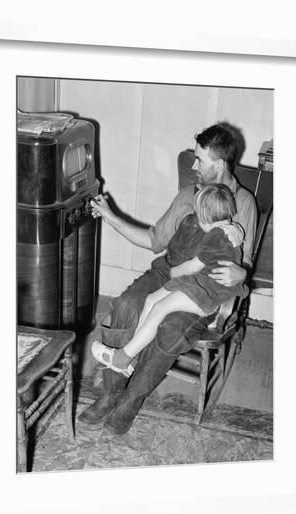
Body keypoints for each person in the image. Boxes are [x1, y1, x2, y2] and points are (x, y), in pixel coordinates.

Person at [78, 122, 257, 435]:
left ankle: (130, 402)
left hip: (202, 285)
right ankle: (110, 393)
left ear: (218, 164)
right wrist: (110, 216)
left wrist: (241, 272)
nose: (193, 165)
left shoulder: (243, 205)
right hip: (168, 270)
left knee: (170, 328)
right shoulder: (189, 194)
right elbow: (154, 239)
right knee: (127, 305)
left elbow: (245, 262)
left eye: (199, 159)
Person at [91, 183, 248, 377]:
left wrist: (174, 272)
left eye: (199, 215)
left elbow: (192, 266)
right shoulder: (232, 228)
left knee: (159, 308)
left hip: (205, 293)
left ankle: (122, 358)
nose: (197, 220)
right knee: (150, 300)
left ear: (207, 215)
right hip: (195, 284)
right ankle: (132, 357)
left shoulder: (216, 237)